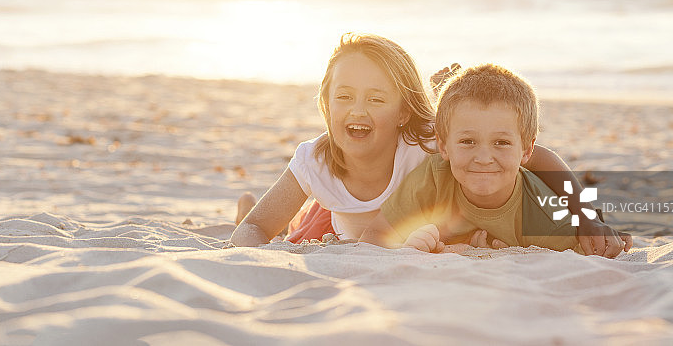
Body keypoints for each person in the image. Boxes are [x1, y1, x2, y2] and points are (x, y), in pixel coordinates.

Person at [230, 33, 631, 256]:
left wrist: (586, 216)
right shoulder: (314, 161)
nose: (358, 110)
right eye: (344, 96)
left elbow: (530, 155)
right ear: (324, 103)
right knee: (296, 232)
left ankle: (434, 90)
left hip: (389, 223)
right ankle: (247, 206)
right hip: (337, 223)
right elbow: (257, 231)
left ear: (404, 112)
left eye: (377, 98)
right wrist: (248, 242)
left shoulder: (424, 146)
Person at [360, 63, 620, 255]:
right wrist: (411, 249)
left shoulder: (549, 223)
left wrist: (590, 219)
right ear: (443, 145)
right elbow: (371, 237)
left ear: (526, 151)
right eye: (468, 141)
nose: (483, 158)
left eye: (501, 143)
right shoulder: (434, 177)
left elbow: (595, 250)